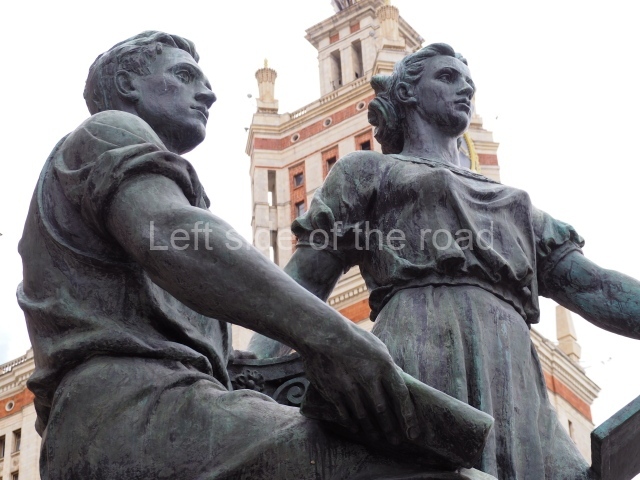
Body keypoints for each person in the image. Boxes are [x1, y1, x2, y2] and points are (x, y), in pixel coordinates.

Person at [16, 31, 482, 480]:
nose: (209, 94)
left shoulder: (157, 184)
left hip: (154, 409)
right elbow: (180, 238)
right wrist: (332, 336)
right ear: (127, 85)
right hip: (132, 413)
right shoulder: (108, 131)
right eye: (183, 76)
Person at [249, 43, 640, 480]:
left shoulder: (518, 206)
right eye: (447, 77)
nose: (465, 89)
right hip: (418, 353)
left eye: (469, 83)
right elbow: (303, 281)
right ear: (408, 93)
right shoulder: (368, 172)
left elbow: (594, 286)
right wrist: (247, 372)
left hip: (513, 375)